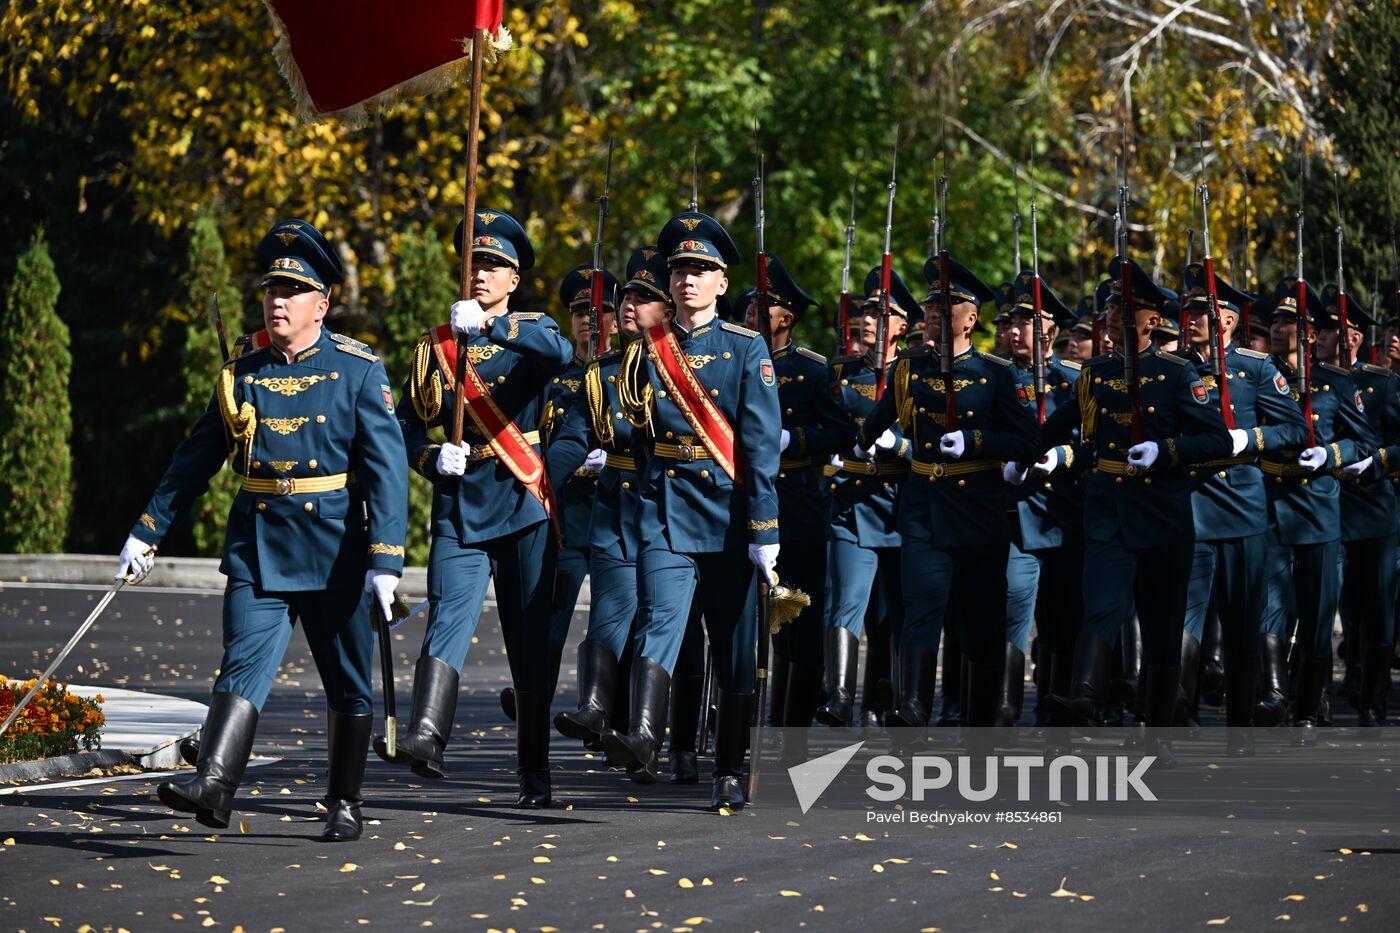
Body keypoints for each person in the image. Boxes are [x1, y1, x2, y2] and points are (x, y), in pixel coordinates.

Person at [116, 219, 408, 842]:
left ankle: (344, 801)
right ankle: (215, 783)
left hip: (335, 552)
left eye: (292, 291)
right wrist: (148, 529)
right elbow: (194, 459)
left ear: (320, 305)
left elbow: (386, 471)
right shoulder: (241, 372)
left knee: (348, 682)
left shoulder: (358, 370)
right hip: (259, 546)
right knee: (242, 664)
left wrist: (386, 559)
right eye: (272, 290)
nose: (277, 301)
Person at [379, 209, 573, 807]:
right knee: (447, 616)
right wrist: (430, 459)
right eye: (473, 264)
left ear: (514, 280)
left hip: (521, 500)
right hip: (461, 500)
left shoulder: (530, 331)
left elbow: (560, 352)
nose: (480, 274)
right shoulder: (435, 346)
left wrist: (493, 330)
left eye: (493, 266)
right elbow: (404, 425)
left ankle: (534, 774)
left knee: (528, 640)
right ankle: (428, 735)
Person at [599, 211, 781, 811]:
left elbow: (757, 447)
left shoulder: (746, 348)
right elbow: (637, 430)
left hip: (729, 516)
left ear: (723, 284)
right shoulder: (648, 351)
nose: (688, 281)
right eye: (679, 269)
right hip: (666, 509)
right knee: (660, 617)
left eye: (702, 270)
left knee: (731, 649)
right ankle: (645, 737)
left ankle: (728, 766)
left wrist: (764, 528)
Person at [1026, 256, 1233, 764]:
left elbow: (1217, 439)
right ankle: (1085, 696)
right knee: (1102, 604)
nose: (1114, 316)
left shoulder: (1178, 374)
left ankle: (1158, 726)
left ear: (1151, 320)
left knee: (1162, 626)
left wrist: (1166, 452)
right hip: (1108, 509)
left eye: (1125, 307)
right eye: (1112, 307)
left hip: (1162, 512)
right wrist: (1015, 453)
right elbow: (1052, 429)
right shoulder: (1095, 375)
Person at [860, 256, 1041, 741]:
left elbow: (1029, 442)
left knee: (980, 626)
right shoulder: (910, 368)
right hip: (924, 507)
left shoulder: (997, 374)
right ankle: (913, 706)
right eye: (931, 304)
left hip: (979, 511)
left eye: (949, 303)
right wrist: (864, 439)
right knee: (922, 606)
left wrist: (979, 442)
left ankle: (979, 729)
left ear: (972, 317)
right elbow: (875, 423)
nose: (936, 312)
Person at [548, 247, 674, 759]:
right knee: (611, 608)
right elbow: (570, 439)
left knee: (662, 622)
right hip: (616, 507)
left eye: (645, 297)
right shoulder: (604, 371)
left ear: (667, 310)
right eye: (627, 296)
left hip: (674, 509)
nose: (629, 305)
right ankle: (597, 709)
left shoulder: (691, 366)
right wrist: (530, 484)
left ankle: (667, 739)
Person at [1177, 264, 1307, 755]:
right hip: (1190, 505)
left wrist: (1246, 439)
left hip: (1240, 506)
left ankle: (1239, 728)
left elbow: (1294, 430)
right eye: (1187, 310)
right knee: (1184, 621)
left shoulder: (1255, 369)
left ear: (1227, 321)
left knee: (1242, 618)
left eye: (1201, 312)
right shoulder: (1175, 368)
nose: (1189, 319)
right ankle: (1176, 719)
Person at [742, 255, 855, 740]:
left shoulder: (810, 370)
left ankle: (791, 733)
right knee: (749, 621)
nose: (751, 313)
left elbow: (841, 432)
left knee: (797, 622)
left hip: (796, 502)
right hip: (743, 498)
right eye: (749, 304)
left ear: (786, 318)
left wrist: (795, 440)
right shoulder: (733, 357)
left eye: (762, 307)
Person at [813, 271, 916, 729]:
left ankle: (894, 698)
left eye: (881, 313)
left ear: (902, 325)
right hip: (852, 503)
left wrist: (897, 444)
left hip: (902, 505)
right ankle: (838, 695)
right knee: (844, 600)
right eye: (867, 311)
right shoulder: (839, 373)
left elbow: (933, 442)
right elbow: (821, 428)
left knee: (897, 613)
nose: (869, 319)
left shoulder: (920, 374)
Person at [1000, 272, 1084, 732]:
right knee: (1014, 607)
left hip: (1065, 513)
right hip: (1016, 514)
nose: (1016, 330)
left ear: (1050, 331)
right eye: (1012, 321)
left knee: (1062, 619)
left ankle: (1054, 707)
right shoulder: (993, 375)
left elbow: (1092, 441)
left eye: (1027, 321)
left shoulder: (1074, 379)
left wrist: (1062, 456)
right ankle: (1008, 707)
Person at [1317, 287, 1398, 726]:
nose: (1339, 337)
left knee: (1378, 609)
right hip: (1329, 509)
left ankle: (1373, 700)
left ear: (1358, 337)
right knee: (1330, 604)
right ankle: (1320, 699)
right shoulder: (1312, 382)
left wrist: (1376, 461)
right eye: (1331, 328)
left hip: (1374, 510)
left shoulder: (1382, 383)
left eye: (1346, 329)